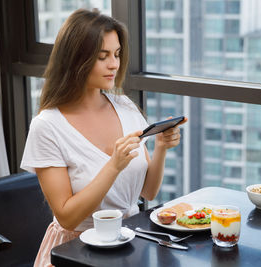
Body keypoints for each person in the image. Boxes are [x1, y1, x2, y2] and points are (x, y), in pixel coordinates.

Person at [20, 9, 187, 267]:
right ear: (76, 59)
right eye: (103, 56)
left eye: (117, 54)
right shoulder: (47, 126)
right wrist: (113, 165)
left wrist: (162, 148)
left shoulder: (125, 107)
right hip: (74, 252)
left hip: (130, 241)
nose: (114, 64)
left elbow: (148, 192)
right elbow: (67, 218)